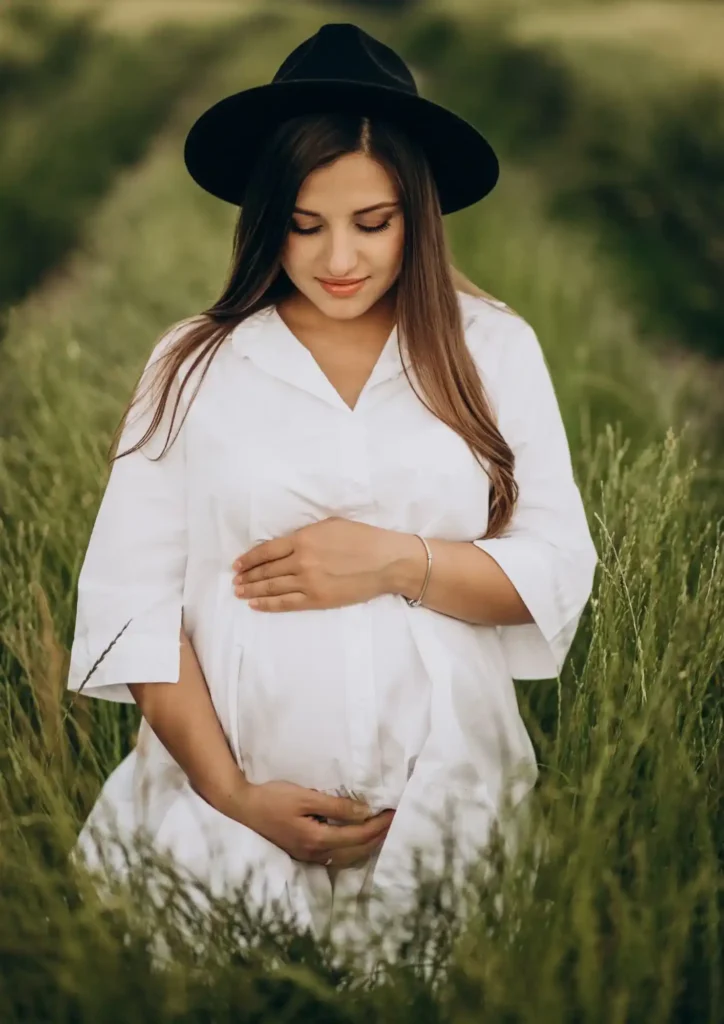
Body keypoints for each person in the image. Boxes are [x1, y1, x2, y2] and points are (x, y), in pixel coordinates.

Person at [65, 23, 598, 963]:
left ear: (419, 215)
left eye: (373, 221)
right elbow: (130, 602)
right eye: (304, 225)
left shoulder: (493, 350)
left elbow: (554, 567)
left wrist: (396, 561)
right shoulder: (195, 364)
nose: (338, 257)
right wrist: (233, 795)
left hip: (443, 799)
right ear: (267, 218)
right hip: (222, 803)